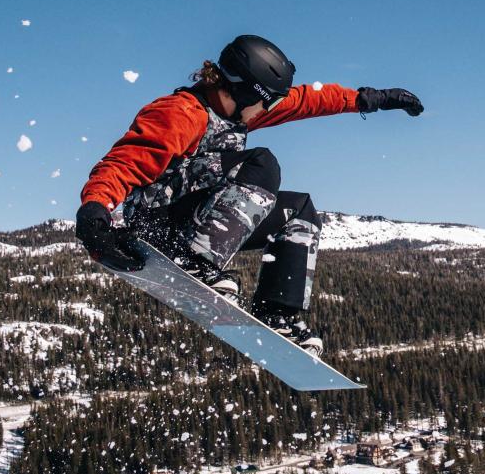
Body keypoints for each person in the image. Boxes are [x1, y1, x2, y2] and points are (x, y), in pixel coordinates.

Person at [75, 34, 423, 353]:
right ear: (244, 91)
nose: (268, 110)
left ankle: (277, 312)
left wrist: (368, 99)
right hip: (159, 222)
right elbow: (126, 161)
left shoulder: (236, 110)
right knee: (261, 163)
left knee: (299, 211)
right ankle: (196, 259)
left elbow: (305, 101)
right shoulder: (180, 112)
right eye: (266, 102)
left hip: (196, 219)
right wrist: (94, 212)